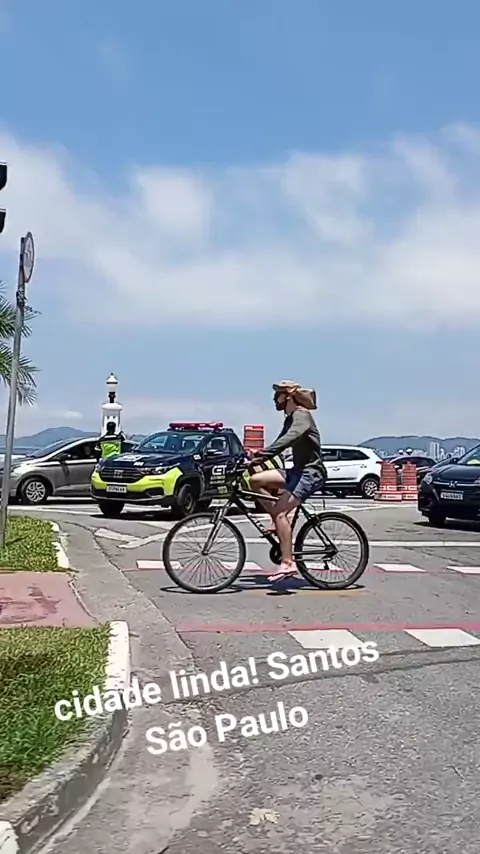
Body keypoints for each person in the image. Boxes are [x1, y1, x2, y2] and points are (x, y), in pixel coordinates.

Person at [248, 381, 326, 582]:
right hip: (296, 471)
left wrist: (262, 454)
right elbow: (279, 442)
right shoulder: (290, 418)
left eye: (278, 396)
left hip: (310, 474)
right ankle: (278, 519)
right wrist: (253, 460)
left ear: (288, 396)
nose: (274, 400)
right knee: (255, 481)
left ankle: (288, 562)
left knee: (281, 513)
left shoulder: (302, 416)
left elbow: (288, 440)